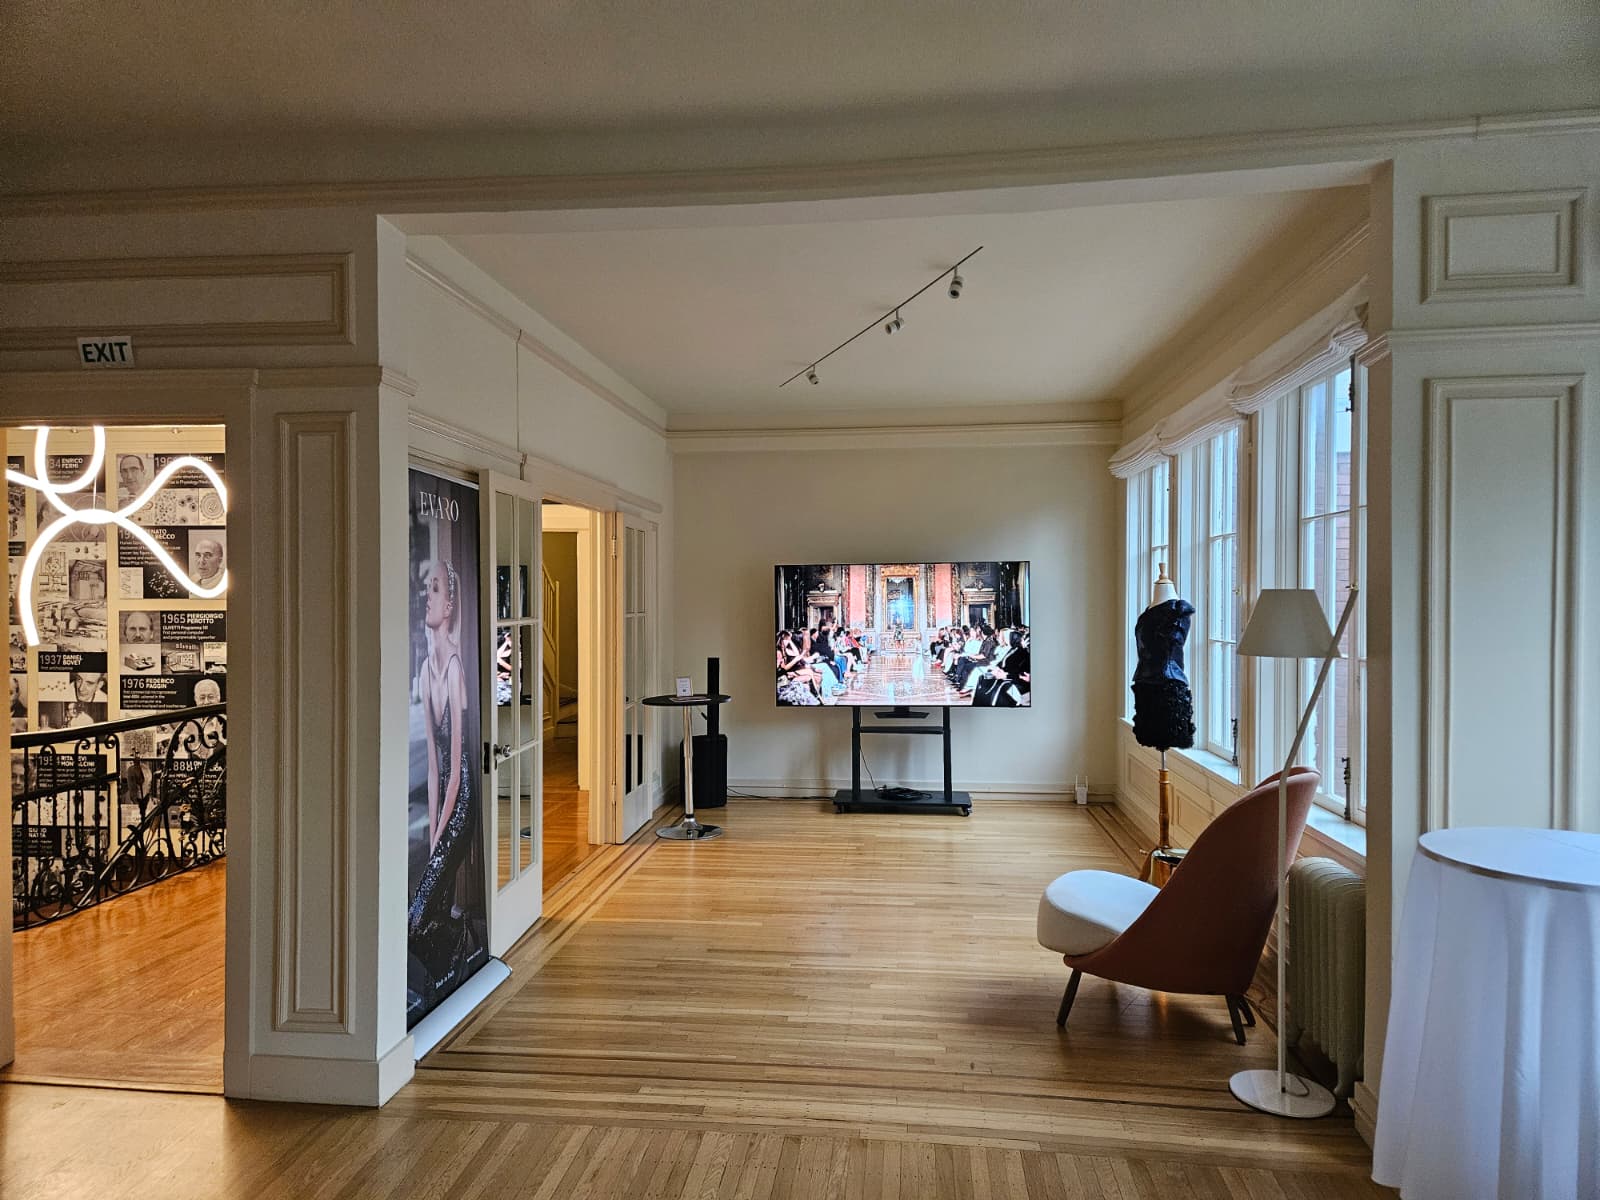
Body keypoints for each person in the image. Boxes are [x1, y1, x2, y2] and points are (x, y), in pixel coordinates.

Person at [408, 559, 474, 939]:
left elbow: (455, 774)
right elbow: (433, 769)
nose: (426, 597)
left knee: (419, 910)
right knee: (433, 906)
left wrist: (439, 835)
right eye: (426, 588)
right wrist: (433, 828)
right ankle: (453, 941)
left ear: (449, 606)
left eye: (434, 589)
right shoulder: (423, 673)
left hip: (461, 800)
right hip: (443, 795)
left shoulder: (453, 669)